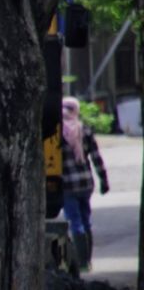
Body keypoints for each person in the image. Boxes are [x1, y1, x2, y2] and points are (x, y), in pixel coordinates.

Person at [60, 96, 110, 273]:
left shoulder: (58, 132)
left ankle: (82, 262)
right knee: (86, 221)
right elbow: (96, 158)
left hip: (67, 186)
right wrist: (104, 180)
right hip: (86, 184)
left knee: (75, 222)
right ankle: (87, 260)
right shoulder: (85, 130)